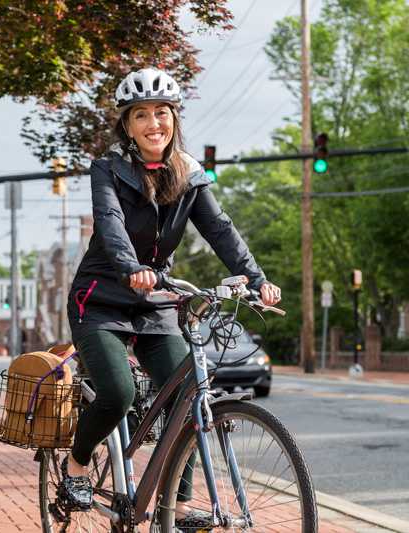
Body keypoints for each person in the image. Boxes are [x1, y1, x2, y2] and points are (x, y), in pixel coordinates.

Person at [61, 67, 281, 528]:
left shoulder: (189, 175)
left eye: (161, 112)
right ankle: (77, 466)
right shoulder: (108, 169)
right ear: (127, 125)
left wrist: (255, 278)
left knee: (188, 396)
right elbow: (109, 222)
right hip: (100, 300)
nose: (152, 123)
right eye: (140, 115)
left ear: (174, 119)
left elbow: (220, 230)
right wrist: (129, 268)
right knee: (118, 392)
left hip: (156, 303)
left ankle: (175, 509)